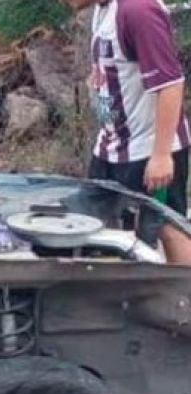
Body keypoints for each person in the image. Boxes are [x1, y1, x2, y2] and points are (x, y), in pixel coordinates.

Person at [61, 0, 191, 264]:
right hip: (113, 146)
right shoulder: (103, 9)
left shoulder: (138, 10)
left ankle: (184, 296)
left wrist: (162, 155)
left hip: (149, 148)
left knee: (167, 225)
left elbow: (171, 85)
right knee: (91, 218)